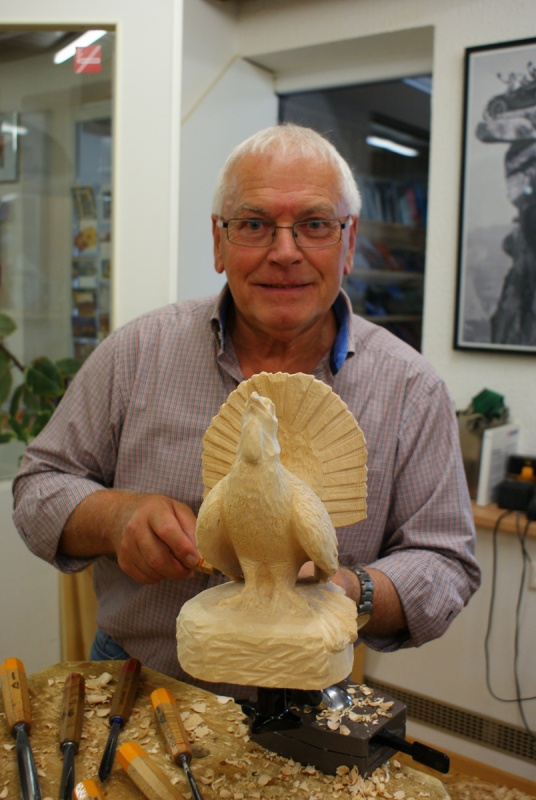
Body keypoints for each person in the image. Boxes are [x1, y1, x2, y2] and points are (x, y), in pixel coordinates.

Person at [12, 124, 480, 698]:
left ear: (350, 242)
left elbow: (445, 561)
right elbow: (37, 487)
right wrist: (114, 519)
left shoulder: (411, 389)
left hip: (309, 695)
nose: (284, 253)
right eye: (254, 224)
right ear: (219, 241)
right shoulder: (137, 353)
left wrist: (347, 590)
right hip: (143, 680)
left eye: (314, 224)